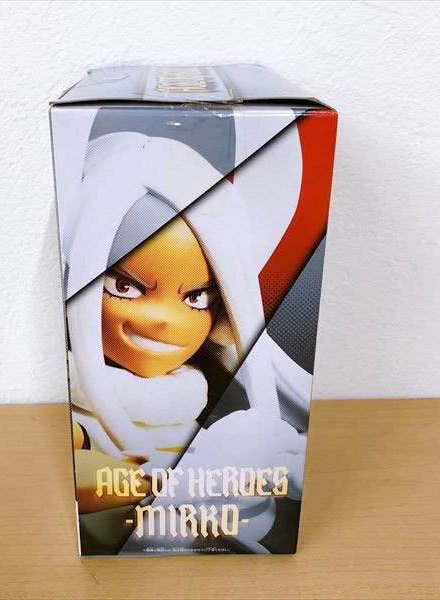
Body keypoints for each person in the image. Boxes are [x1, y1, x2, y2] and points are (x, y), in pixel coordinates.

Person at [63, 131, 311, 554]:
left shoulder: (190, 400)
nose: (163, 321)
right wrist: (177, 480)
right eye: (124, 286)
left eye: (195, 298)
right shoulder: (77, 410)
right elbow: (81, 478)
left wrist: (255, 460)